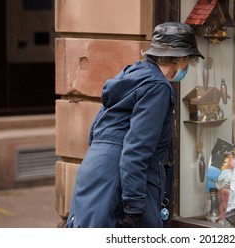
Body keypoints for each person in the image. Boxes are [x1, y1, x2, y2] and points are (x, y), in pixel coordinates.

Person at [66, 22, 204, 228]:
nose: (187, 69)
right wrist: (134, 209)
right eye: (188, 63)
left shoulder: (132, 74)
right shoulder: (158, 87)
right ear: (180, 58)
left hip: (94, 171)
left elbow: (95, 131)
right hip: (118, 180)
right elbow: (137, 150)